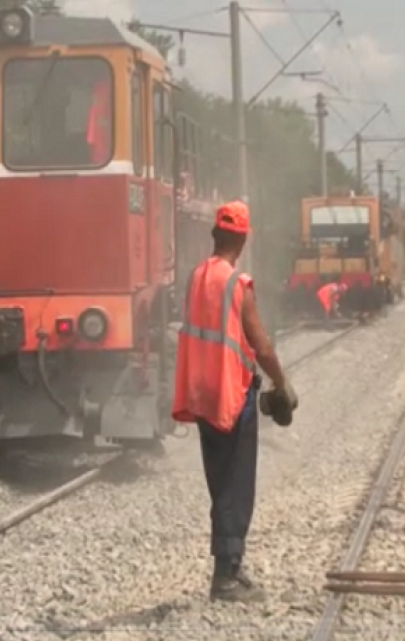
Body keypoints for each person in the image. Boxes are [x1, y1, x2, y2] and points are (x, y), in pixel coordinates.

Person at [171, 200, 297, 602]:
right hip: (231, 393)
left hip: (202, 390)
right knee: (236, 484)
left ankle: (226, 568)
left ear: (214, 234)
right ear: (241, 240)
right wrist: (283, 383)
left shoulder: (195, 277)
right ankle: (226, 575)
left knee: (218, 480)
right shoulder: (235, 284)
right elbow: (260, 345)